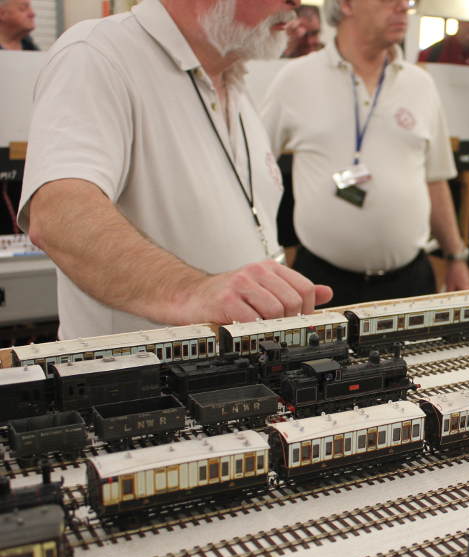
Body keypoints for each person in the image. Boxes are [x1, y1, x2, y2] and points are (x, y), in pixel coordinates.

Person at [18, 0, 333, 340]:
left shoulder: (232, 80)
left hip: (238, 366)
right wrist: (193, 293)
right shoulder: (97, 53)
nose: (296, 3)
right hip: (139, 370)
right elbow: (58, 214)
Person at [261, 0, 469, 307]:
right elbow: (253, 172)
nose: (403, 7)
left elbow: (435, 179)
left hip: (410, 283)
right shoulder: (296, 79)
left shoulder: (420, 84)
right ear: (346, 5)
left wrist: (455, 256)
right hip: (321, 284)